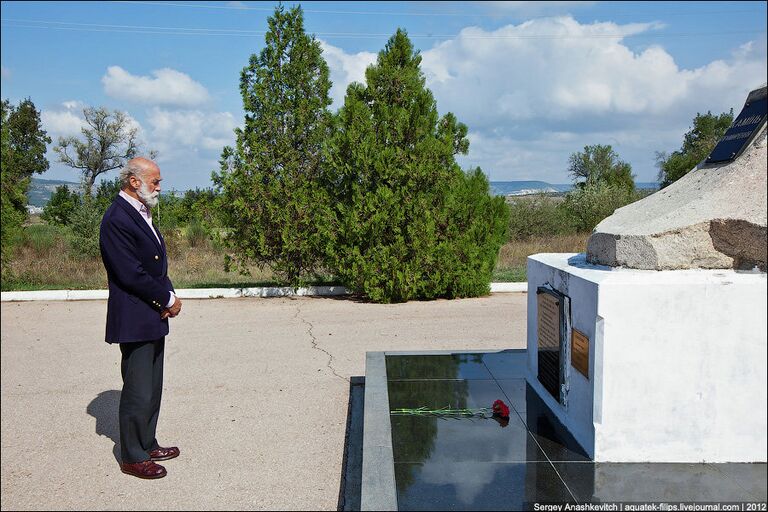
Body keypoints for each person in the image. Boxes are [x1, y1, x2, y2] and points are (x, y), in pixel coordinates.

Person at [99, 157, 182, 479]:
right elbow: (129, 272)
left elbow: (156, 263)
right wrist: (165, 298)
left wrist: (169, 295)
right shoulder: (117, 218)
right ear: (134, 182)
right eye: (155, 181)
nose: (159, 186)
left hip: (152, 311)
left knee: (152, 385)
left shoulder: (140, 212)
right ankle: (133, 456)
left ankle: (147, 442)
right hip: (135, 313)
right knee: (137, 388)